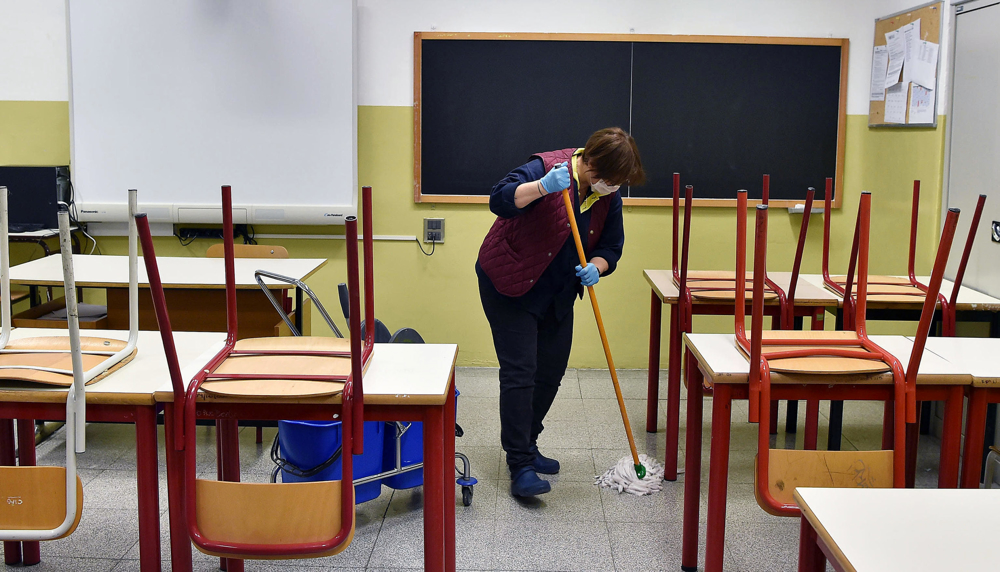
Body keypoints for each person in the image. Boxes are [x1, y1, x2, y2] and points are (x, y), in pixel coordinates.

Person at [475, 127, 645, 497]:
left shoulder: (606, 195)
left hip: (557, 293)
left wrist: (597, 266)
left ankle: (529, 441)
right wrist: (542, 187)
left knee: (550, 372)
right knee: (521, 372)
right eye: (612, 179)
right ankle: (519, 463)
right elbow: (499, 199)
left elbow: (611, 246)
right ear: (593, 164)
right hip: (509, 284)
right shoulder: (546, 168)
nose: (615, 187)